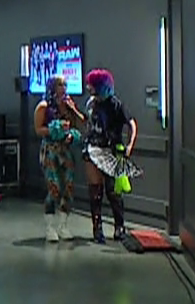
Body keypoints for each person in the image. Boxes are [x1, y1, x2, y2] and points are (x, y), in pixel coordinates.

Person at [82, 68, 138, 244]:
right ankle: (97, 228)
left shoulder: (116, 104)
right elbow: (88, 123)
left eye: (92, 85)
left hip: (111, 151)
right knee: (95, 190)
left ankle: (119, 227)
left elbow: (132, 124)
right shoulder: (91, 104)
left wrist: (130, 145)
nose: (88, 88)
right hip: (93, 148)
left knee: (113, 191)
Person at [34, 75, 85, 243]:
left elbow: (81, 124)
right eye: (60, 85)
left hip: (65, 151)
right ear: (52, 87)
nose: (63, 88)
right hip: (50, 150)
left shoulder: (68, 106)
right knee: (54, 187)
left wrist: (71, 132)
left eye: (65, 85)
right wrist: (55, 129)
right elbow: (38, 129)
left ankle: (63, 225)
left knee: (68, 187)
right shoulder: (44, 106)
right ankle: (50, 227)